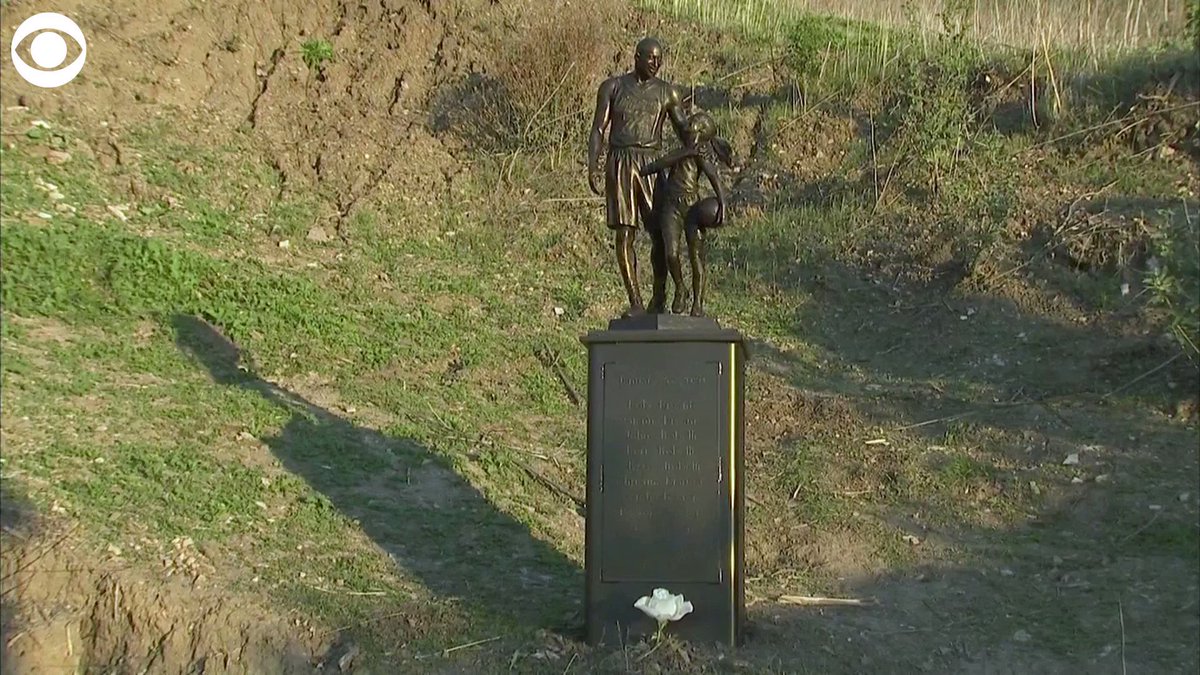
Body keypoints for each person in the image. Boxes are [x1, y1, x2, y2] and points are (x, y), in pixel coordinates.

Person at [588, 37, 688, 318]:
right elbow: (598, 129)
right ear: (637, 57)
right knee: (625, 234)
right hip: (620, 161)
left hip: (652, 164)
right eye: (651, 58)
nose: (656, 63)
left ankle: (660, 296)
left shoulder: (668, 93)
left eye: (660, 59)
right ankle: (635, 301)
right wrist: (593, 164)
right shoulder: (613, 87)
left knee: (660, 233)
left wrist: (705, 139)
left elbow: (684, 130)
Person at [638, 111, 732, 317]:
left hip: (691, 206)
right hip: (671, 207)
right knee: (670, 253)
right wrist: (686, 152)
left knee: (696, 257)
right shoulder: (681, 152)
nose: (690, 123)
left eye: (695, 123)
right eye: (691, 121)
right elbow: (653, 167)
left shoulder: (701, 155)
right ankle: (680, 287)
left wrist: (723, 204)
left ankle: (698, 302)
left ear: (701, 132)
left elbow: (714, 177)